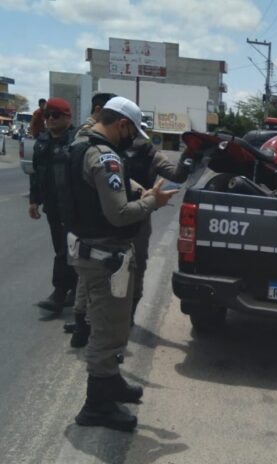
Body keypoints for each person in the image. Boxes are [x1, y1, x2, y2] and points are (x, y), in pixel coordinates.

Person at [65, 96, 178, 431]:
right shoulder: (106, 157)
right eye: (132, 132)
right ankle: (96, 406)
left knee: (111, 326)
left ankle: (111, 383)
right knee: (106, 332)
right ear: (123, 124)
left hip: (90, 250)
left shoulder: (80, 145)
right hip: (104, 257)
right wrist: (153, 203)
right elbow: (119, 215)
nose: (132, 140)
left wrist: (138, 190)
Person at [65, 92, 119, 343]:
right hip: (91, 217)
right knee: (92, 282)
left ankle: (81, 326)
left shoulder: (85, 136)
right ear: (99, 110)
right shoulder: (90, 138)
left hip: (81, 215)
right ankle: (85, 327)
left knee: (85, 278)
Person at [126, 132, 191, 324]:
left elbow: (177, 175)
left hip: (140, 216)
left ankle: (129, 314)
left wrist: (188, 154)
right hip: (113, 212)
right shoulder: (111, 149)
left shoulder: (152, 155)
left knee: (137, 265)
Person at [29, 98, 78, 314]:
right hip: (52, 206)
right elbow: (36, 173)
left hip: (73, 207)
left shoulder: (77, 141)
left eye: (55, 115)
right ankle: (74, 288)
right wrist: (34, 200)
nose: (50, 119)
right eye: (47, 115)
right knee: (60, 247)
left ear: (68, 117)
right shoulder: (42, 142)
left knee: (65, 249)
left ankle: (59, 292)